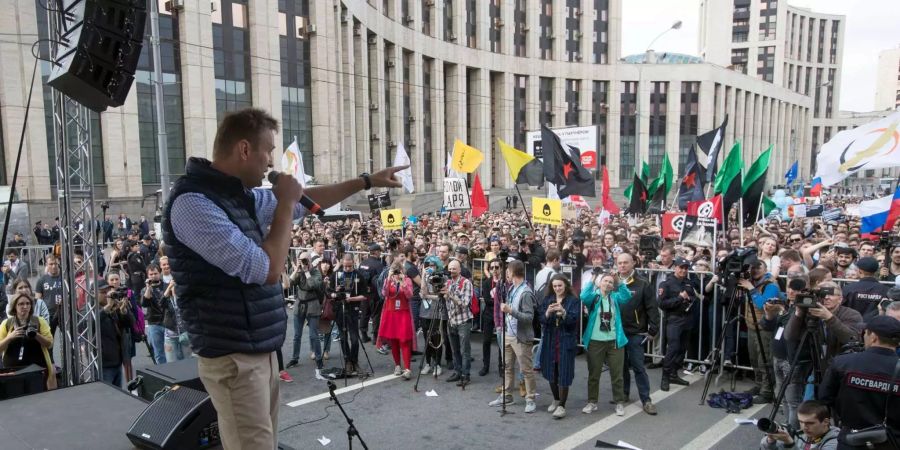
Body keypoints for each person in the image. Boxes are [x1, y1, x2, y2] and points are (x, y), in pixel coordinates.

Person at [162, 107, 405, 449]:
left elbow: (307, 200)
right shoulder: (193, 203)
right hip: (232, 356)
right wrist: (286, 206)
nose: (270, 162)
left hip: (258, 348)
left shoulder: (237, 196)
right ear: (245, 149)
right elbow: (267, 268)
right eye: (268, 151)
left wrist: (366, 181)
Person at [818, 315, 900, 450]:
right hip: (891, 441)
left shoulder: (843, 363)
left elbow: (824, 398)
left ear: (873, 336)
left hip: (852, 439)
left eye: (864, 333)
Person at [581, 270, 632, 416]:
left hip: (614, 341)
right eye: (605, 281)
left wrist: (619, 281)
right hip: (595, 341)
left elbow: (627, 296)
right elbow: (583, 296)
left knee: (617, 374)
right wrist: (593, 279)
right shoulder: (594, 297)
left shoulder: (615, 297)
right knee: (594, 374)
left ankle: (619, 402)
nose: (608, 284)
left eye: (611, 282)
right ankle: (592, 402)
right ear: (600, 282)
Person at [488, 260, 537, 413]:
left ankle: (530, 399)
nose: (505, 274)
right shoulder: (512, 288)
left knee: (526, 369)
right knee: (507, 367)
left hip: (521, 337)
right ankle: (507, 395)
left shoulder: (526, 292)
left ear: (513, 272)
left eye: (507, 271)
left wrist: (511, 311)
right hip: (508, 333)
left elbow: (529, 317)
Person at [784, 281, 864, 371]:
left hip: (839, 366)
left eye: (831, 294)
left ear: (840, 299)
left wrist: (829, 318)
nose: (826, 297)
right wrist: (798, 313)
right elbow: (789, 336)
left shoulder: (851, 314)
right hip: (811, 366)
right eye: (822, 294)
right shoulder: (809, 313)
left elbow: (852, 339)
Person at [616, 252, 660, 415]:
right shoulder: (613, 281)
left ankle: (646, 400)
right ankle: (623, 394)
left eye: (625, 262)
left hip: (636, 333)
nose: (622, 266)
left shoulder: (643, 283)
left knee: (638, 367)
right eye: (620, 263)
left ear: (633, 263)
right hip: (617, 332)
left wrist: (653, 329)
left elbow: (652, 307)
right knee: (620, 367)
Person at [737, 259, 782, 403]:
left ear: (765, 268)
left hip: (764, 329)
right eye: (753, 268)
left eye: (758, 268)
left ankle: (767, 391)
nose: (755, 270)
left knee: (765, 361)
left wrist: (751, 288)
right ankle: (759, 385)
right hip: (751, 326)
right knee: (754, 360)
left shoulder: (770, 285)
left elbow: (764, 305)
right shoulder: (751, 281)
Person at [537, 274, 580, 419]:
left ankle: (562, 405)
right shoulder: (548, 299)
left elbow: (573, 321)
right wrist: (548, 313)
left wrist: (563, 313)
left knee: (564, 373)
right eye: (554, 286)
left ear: (565, 286)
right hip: (550, 340)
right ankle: (556, 399)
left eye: (560, 285)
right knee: (551, 371)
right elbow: (541, 319)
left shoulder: (573, 300)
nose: (557, 288)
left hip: (565, 340)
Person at [658, 257, 700, 392]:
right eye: (681, 267)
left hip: (687, 319)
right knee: (673, 348)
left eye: (686, 268)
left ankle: (674, 374)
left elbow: (694, 298)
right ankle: (665, 377)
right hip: (674, 319)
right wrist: (680, 298)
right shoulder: (666, 284)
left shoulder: (688, 283)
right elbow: (662, 304)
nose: (683, 270)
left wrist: (689, 299)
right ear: (675, 267)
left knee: (682, 349)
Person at [0, 292, 56, 390]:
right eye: (21, 304)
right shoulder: (7, 324)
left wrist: (36, 335)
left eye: (27, 303)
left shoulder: (39, 321)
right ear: (14, 307)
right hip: (13, 373)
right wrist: (9, 337)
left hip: (37, 371)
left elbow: (50, 344)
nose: (25, 307)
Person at [286, 252, 327, 379]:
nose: (304, 262)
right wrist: (297, 270)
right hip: (300, 305)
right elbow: (289, 284)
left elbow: (312, 285)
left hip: (313, 305)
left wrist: (306, 271)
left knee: (313, 335)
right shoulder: (299, 270)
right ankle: (294, 358)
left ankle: (319, 359)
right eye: (301, 260)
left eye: (305, 260)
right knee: (297, 335)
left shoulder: (316, 272)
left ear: (310, 260)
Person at [379, 261, 414, 380]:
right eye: (395, 271)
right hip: (391, 313)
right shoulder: (388, 280)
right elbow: (384, 293)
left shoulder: (407, 280)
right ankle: (397, 365)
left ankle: (408, 368)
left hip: (403, 313)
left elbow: (410, 295)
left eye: (398, 271)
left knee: (404, 341)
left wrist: (403, 282)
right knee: (393, 341)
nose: (396, 274)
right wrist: (388, 278)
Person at [97, 279, 134, 387]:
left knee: (118, 393)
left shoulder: (114, 307)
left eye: (108, 292)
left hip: (117, 360)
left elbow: (130, 324)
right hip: (103, 363)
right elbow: (91, 323)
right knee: (107, 396)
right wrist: (107, 308)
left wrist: (123, 311)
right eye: (103, 293)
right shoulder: (89, 309)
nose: (106, 296)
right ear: (94, 293)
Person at [759, 400, 839, 450]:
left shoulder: (835, 442)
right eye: (801, 422)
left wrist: (790, 444)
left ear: (825, 422)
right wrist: (771, 440)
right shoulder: (802, 434)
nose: (804, 427)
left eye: (810, 423)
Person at [443, 259, 474, 386]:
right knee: (455, 350)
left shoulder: (466, 283)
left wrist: (449, 294)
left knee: (464, 350)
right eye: (450, 269)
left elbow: (465, 304)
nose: (451, 271)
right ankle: (457, 371)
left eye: (454, 268)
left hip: (463, 321)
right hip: (451, 321)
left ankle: (465, 375)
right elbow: (442, 298)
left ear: (460, 270)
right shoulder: (448, 282)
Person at [479, 258, 505, 376]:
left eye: (496, 267)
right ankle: (486, 366)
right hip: (489, 314)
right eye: (491, 267)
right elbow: (488, 300)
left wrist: (496, 298)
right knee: (486, 341)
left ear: (501, 268)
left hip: (501, 315)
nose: (494, 270)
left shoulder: (505, 282)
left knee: (501, 341)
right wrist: (498, 299)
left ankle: (502, 366)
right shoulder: (486, 283)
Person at [842, 256, 889, 321]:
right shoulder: (885, 290)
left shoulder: (848, 289)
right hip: (874, 327)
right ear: (876, 271)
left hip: (852, 326)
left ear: (859, 271)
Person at [358, 243, 385, 344]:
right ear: (377, 252)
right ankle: (375, 337)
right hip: (374, 293)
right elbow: (381, 280)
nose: (380, 253)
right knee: (376, 315)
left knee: (365, 314)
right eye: (380, 252)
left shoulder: (362, 263)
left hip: (364, 293)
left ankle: (364, 335)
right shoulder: (379, 265)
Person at [141, 264, 167, 364]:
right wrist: (148, 287)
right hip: (154, 323)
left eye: (155, 273)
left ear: (159, 273)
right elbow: (144, 303)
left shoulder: (166, 285)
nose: (153, 276)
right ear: (147, 276)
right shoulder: (145, 289)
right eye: (151, 274)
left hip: (167, 322)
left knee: (170, 350)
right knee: (159, 352)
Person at [34, 255, 63, 338]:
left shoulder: (65, 278)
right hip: (49, 314)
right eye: (51, 264)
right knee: (49, 339)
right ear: (46, 265)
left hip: (63, 313)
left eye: (56, 264)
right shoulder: (42, 280)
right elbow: (37, 300)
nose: (54, 266)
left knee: (69, 339)